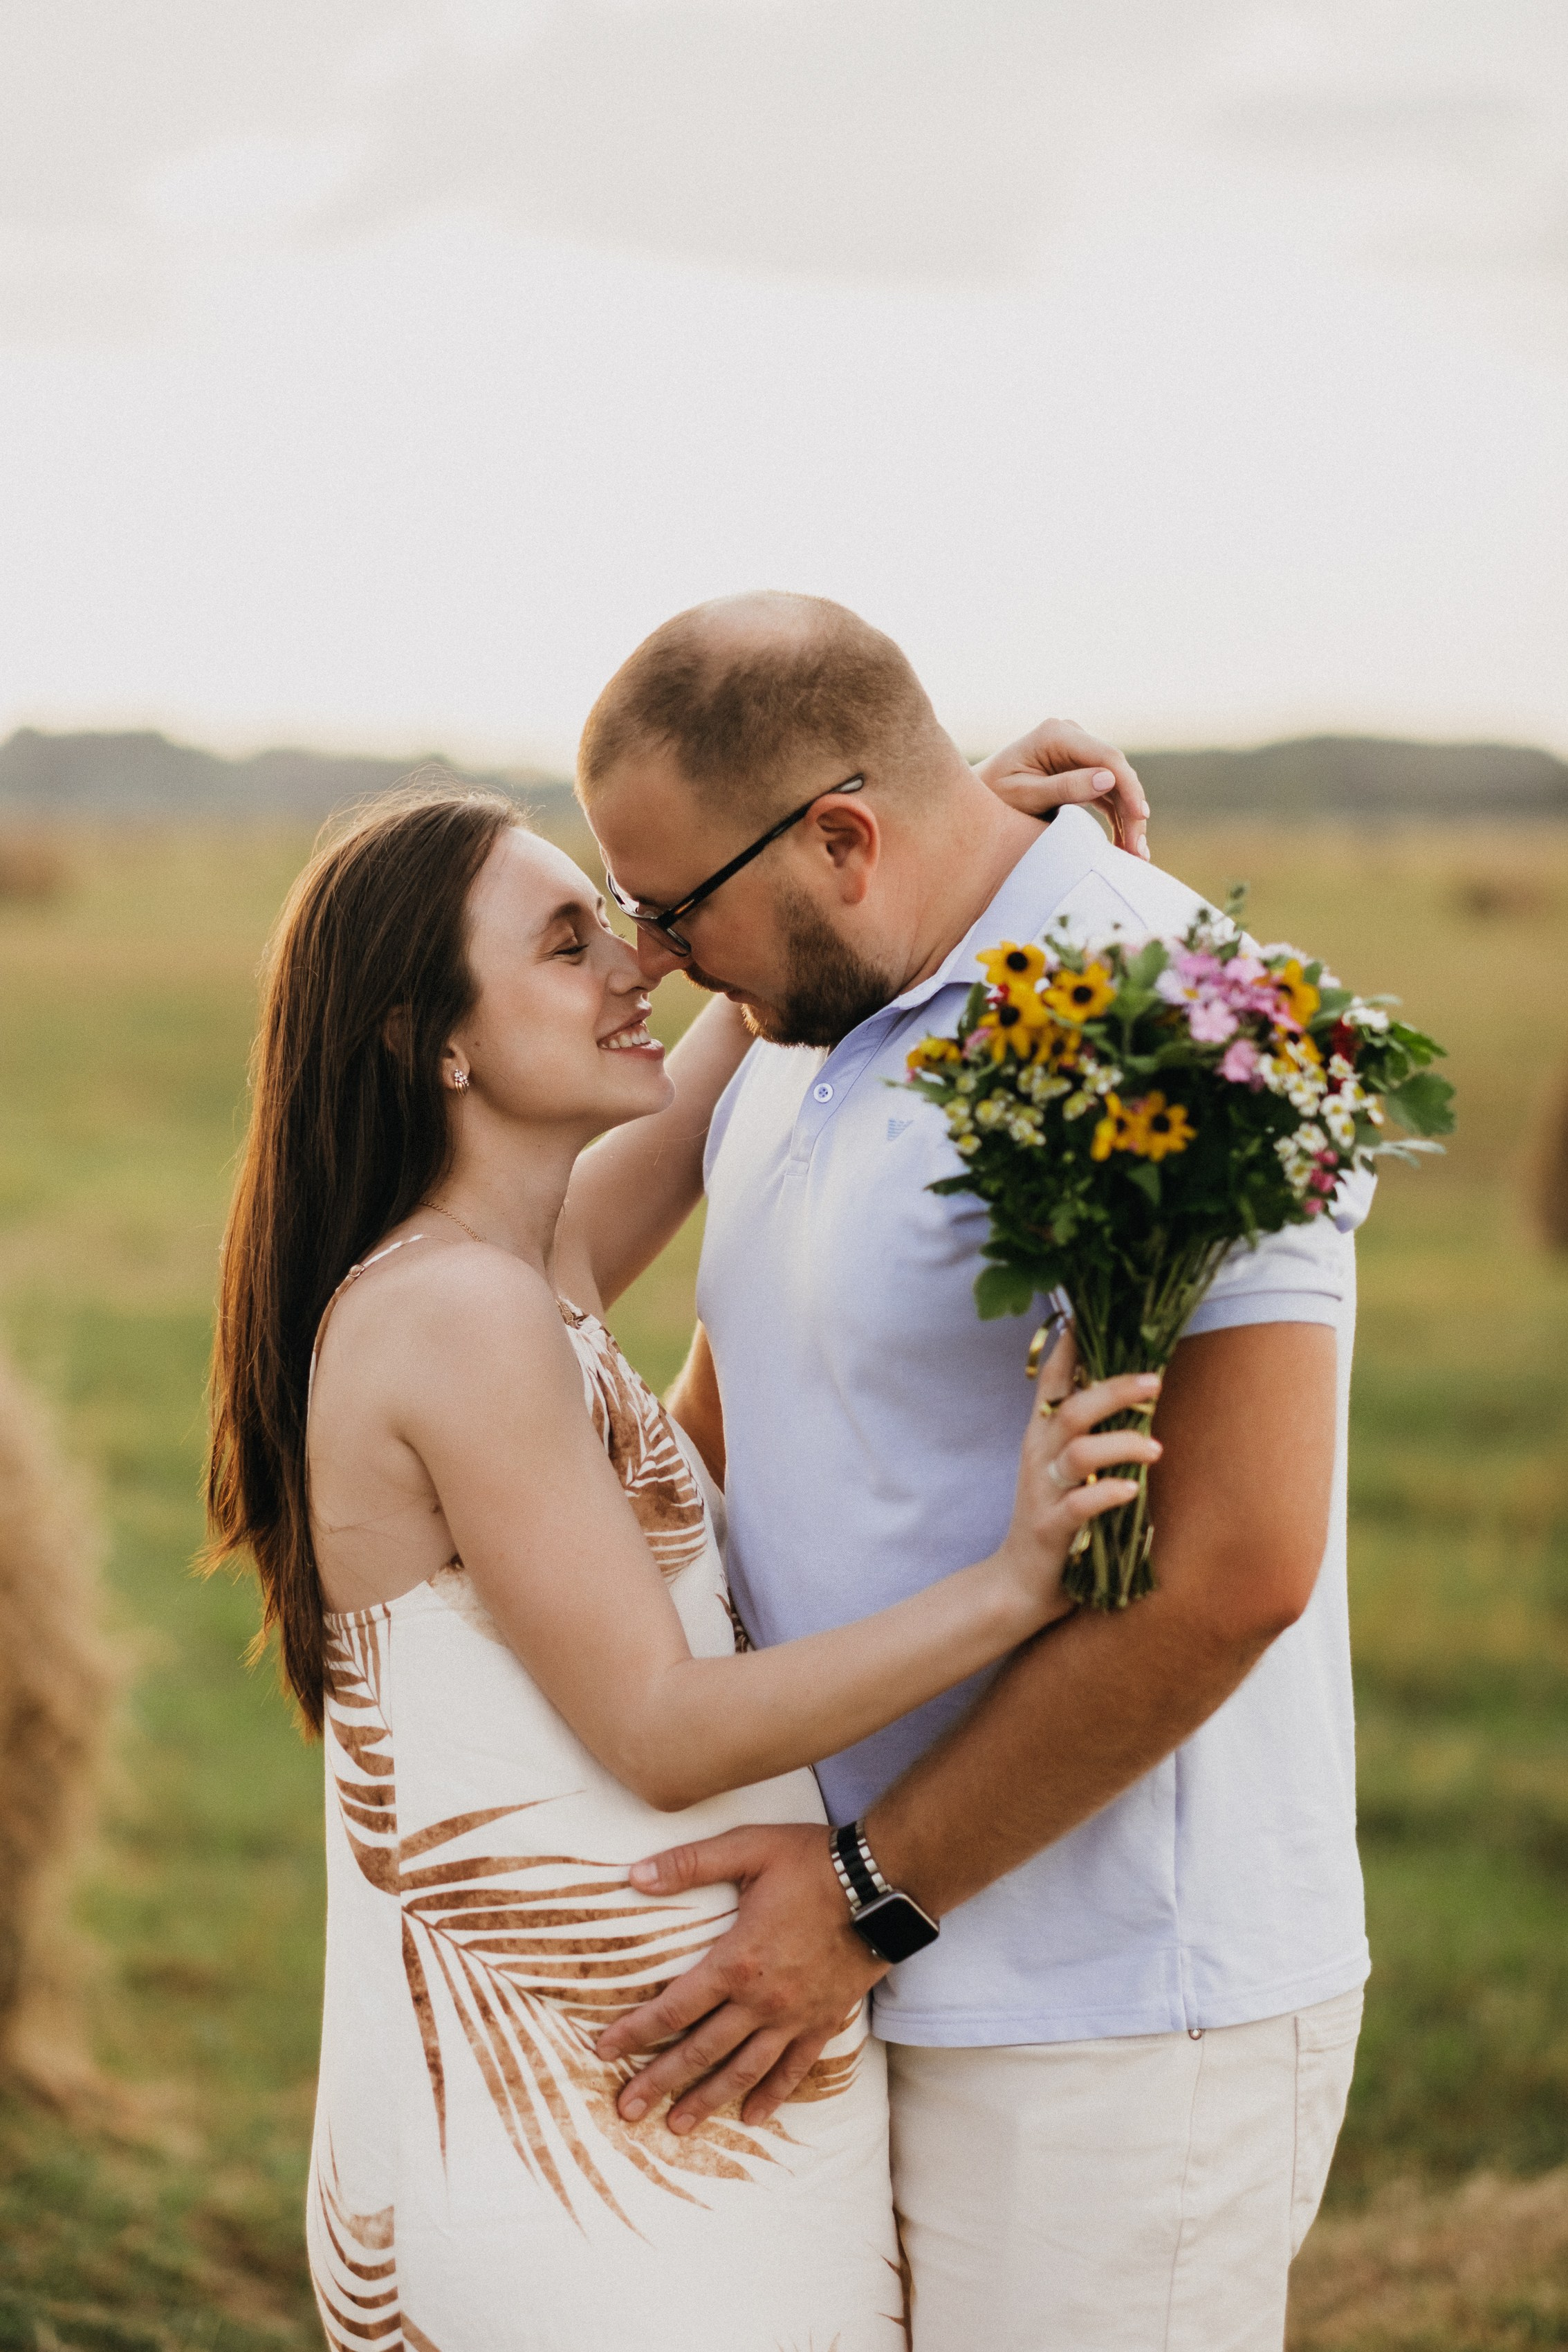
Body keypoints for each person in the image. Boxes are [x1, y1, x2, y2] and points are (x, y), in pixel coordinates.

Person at [203, 779, 1158, 2351]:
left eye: (625, 920)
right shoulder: (459, 1314)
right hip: (591, 2146)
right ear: (428, 1037)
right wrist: (1015, 1580)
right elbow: (655, 1723)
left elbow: (755, 1010)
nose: (633, 961)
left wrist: (955, 820)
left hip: (650, 2090)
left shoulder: (522, 1255)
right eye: (567, 941)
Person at [580, 592, 1371, 2352]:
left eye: (672, 909)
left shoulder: (1179, 1012)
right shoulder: (804, 1027)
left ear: (844, 836)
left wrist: (866, 1903)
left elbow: (1235, 1565)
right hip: (842, 1972)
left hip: (1099, 2021)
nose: (652, 959)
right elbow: (741, 1422)